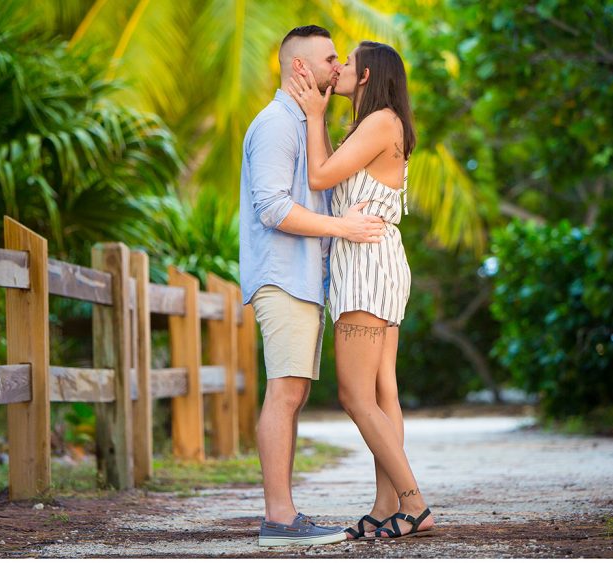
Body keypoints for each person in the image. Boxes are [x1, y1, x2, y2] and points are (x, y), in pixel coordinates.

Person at [239, 25, 387, 547]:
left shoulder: (303, 123)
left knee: (293, 392)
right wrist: (344, 227)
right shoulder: (277, 124)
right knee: (284, 393)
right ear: (300, 67)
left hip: (301, 278)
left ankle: (284, 514)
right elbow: (272, 207)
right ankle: (279, 520)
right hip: (282, 276)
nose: (338, 67)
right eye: (330, 59)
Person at [286, 40, 436, 540]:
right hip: (375, 258)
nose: (339, 68)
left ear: (367, 75)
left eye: (347, 62)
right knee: (381, 390)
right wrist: (323, 119)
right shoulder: (378, 123)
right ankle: (386, 505)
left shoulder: (380, 122)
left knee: (355, 395)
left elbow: (318, 175)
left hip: (367, 264)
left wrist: (313, 115)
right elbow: (334, 177)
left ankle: (414, 504)